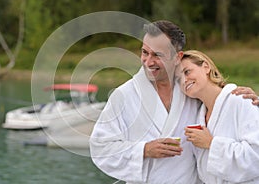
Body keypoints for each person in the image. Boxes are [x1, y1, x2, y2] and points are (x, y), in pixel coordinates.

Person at [89, 20, 259, 184]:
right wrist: (144, 150)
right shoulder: (124, 96)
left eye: (157, 55)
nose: (148, 62)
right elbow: (100, 149)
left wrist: (252, 100)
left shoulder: (190, 93)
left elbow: (220, 102)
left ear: (177, 57)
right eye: (144, 52)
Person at [182, 50, 259, 183]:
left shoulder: (240, 100)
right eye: (177, 79)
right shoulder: (197, 118)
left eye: (187, 71)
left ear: (206, 67)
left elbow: (255, 157)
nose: (183, 80)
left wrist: (212, 144)